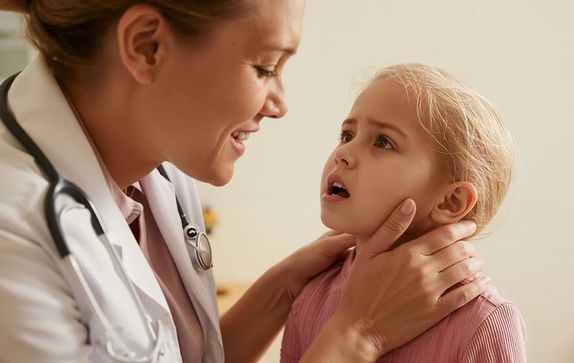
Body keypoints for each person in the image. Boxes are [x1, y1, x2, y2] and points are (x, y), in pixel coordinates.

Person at [0, 1, 488, 362]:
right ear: (146, 46)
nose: (279, 104)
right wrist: (358, 337)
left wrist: (282, 286)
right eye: (265, 67)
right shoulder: (15, 236)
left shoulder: (161, 165)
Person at [281, 63, 527, 362]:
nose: (343, 154)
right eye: (346, 135)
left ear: (451, 201)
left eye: (382, 142)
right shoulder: (311, 294)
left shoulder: (484, 323)